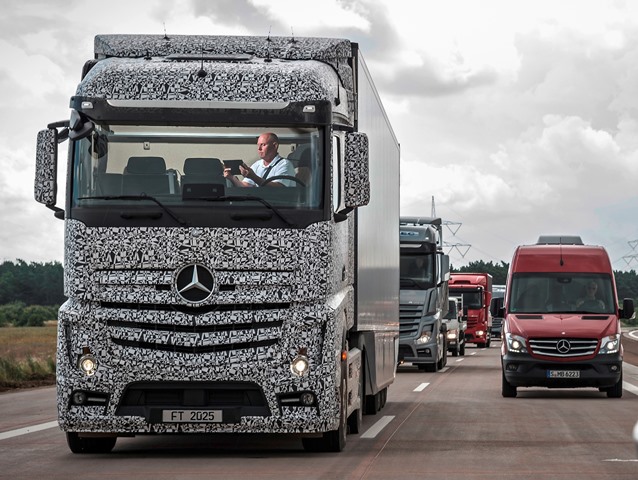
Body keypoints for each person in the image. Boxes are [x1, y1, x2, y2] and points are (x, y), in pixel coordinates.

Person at [224, 132, 295, 187]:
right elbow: (245, 186)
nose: (259, 149)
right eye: (258, 145)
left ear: (275, 146)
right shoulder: (257, 165)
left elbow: (278, 188)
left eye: (263, 145)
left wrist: (253, 177)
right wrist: (231, 178)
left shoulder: (284, 164)